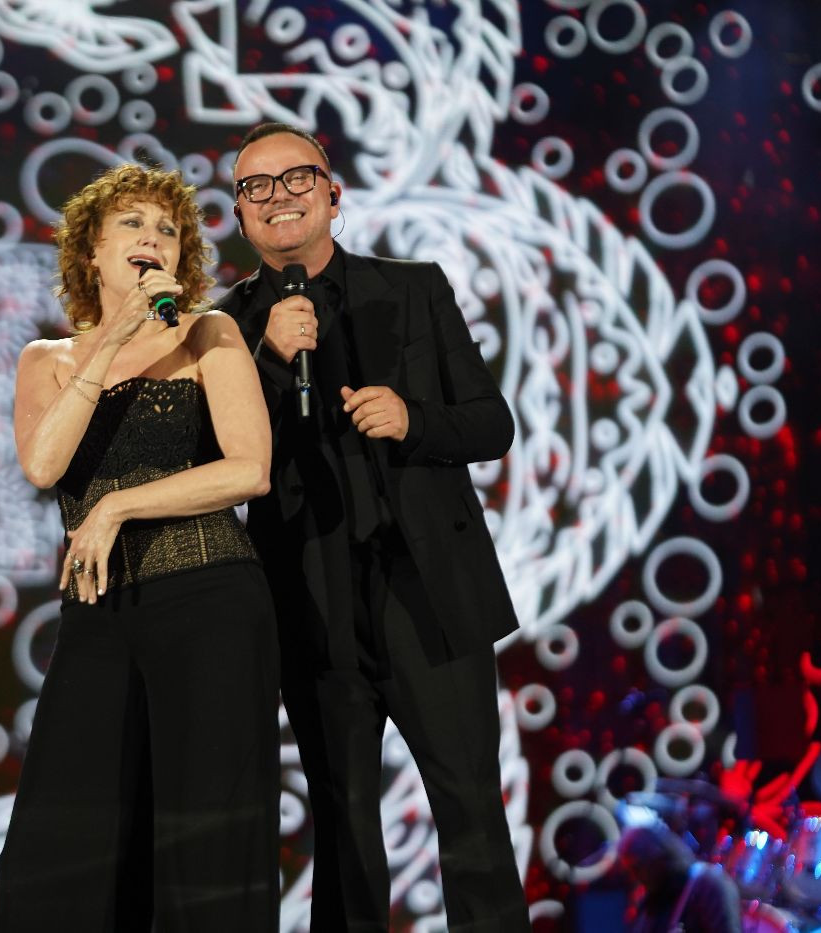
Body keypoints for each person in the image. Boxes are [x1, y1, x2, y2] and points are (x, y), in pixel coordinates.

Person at [215, 123, 530, 931]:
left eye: (296, 178)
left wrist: (413, 419)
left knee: (471, 811)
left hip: (427, 595)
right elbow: (215, 455)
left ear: (332, 193)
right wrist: (269, 361)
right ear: (241, 216)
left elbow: (491, 422)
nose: (278, 197)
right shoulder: (224, 328)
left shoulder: (414, 289)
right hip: (309, 602)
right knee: (344, 826)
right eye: (256, 187)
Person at [0, 163, 280, 932]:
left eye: (168, 229)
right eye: (133, 223)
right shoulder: (46, 358)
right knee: (61, 848)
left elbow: (250, 469)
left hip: (211, 600)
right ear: (91, 250)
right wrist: (113, 337)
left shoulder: (208, 333)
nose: (154, 237)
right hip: (99, 614)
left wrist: (119, 504)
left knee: (206, 841)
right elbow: (44, 465)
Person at [616, 822, 741, 933]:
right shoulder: (652, 903)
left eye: (637, 868)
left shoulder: (709, 885)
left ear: (657, 857)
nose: (635, 878)